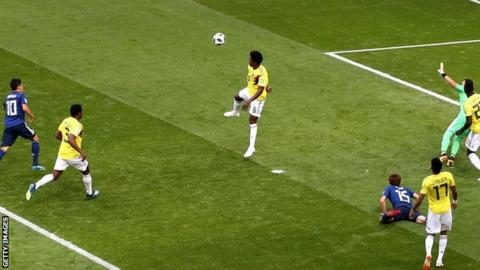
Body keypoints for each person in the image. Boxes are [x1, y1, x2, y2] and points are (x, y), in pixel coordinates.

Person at [26, 104, 99, 200]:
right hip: (73, 155)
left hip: (62, 153)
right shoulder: (78, 125)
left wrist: (66, 142)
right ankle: (89, 194)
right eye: (82, 111)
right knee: (86, 171)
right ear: (79, 113)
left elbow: (57, 135)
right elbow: (71, 138)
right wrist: (81, 151)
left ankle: (35, 185)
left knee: (55, 175)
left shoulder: (66, 120)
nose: (82, 113)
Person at [410, 158, 457, 269]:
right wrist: (455, 201)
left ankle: (428, 254)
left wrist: (413, 209)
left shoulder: (427, 181)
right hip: (446, 209)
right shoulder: (448, 175)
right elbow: (454, 190)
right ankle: (439, 260)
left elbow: (420, 198)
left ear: (432, 168)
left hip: (434, 211)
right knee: (444, 233)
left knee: (431, 234)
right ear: (441, 167)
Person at [223, 51, 272, 158]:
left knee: (252, 121)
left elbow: (260, 90)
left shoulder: (262, 72)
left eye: (250, 59)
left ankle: (251, 147)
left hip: (258, 98)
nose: (248, 60)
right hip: (249, 91)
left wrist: (250, 101)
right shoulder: (251, 67)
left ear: (254, 62)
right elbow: (262, 82)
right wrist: (267, 86)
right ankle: (235, 112)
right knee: (236, 97)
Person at [0, 78, 45, 170]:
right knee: (35, 138)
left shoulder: (7, 97)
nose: (23, 86)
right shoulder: (21, 95)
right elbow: (24, 108)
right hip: (19, 124)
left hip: (8, 126)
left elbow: (5, 107)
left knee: (4, 148)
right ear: (18, 86)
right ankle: (35, 165)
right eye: (21, 85)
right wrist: (32, 116)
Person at [437, 63, 472, 166]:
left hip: (463, 117)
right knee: (458, 138)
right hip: (472, 121)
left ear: (465, 86)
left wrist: (443, 74)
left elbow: (452, 84)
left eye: (463, 83)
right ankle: (452, 158)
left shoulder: (463, 89)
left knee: (448, 133)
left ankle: (443, 153)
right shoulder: (476, 95)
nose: (461, 85)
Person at [453, 78, 480, 173]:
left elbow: (468, 122)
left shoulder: (467, 104)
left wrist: (460, 130)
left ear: (465, 88)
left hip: (478, 131)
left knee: (470, 152)